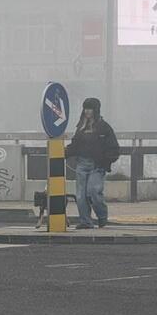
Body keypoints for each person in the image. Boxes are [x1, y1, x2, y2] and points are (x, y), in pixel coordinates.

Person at [64, 97, 120, 229]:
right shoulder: (80, 127)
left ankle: (102, 216)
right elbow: (75, 145)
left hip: (97, 166)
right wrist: (64, 153)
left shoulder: (104, 127)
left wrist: (105, 161)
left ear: (96, 110)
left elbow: (114, 148)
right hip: (81, 164)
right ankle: (85, 221)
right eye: (85, 108)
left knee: (93, 191)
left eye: (90, 108)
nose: (87, 111)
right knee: (80, 195)